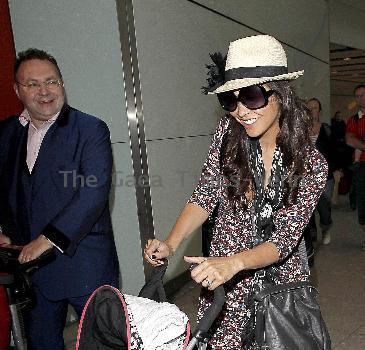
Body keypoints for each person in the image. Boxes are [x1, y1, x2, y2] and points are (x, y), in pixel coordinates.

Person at [144, 35, 327, 349]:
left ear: (281, 94)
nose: (240, 111)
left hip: (276, 290)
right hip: (223, 287)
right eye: (230, 100)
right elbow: (205, 194)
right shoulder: (228, 135)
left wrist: (234, 264)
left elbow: (282, 241)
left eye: (252, 97)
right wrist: (170, 244)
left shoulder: (312, 165)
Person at [0, 48, 119, 349]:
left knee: (104, 341)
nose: (44, 91)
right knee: (41, 343)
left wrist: (47, 238)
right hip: (32, 271)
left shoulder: (90, 129)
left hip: (85, 264)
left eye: (51, 81)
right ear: (17, 90)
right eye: (33, 84)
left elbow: (93, 191)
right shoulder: (7, 133)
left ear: (63, 84)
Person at [306, 97, 341, 244]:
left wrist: (337, 169)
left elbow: (335, 151)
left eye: (315, 107)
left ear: (320, 111)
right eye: (310, 108)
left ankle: (326, 227)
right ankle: (312, 232)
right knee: (309, 208)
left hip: (326, 175)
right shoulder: (301, 130)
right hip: (306, 175)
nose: (312, 110)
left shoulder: (327, 129)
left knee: (324, 206)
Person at [346, 84, 365, 251]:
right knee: (363, 203)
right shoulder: (354, 119)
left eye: (363, 95)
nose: (360, 98)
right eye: (357, 96)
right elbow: (350, 141)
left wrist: (361, 143)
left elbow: (356, 141)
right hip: (361, 166)